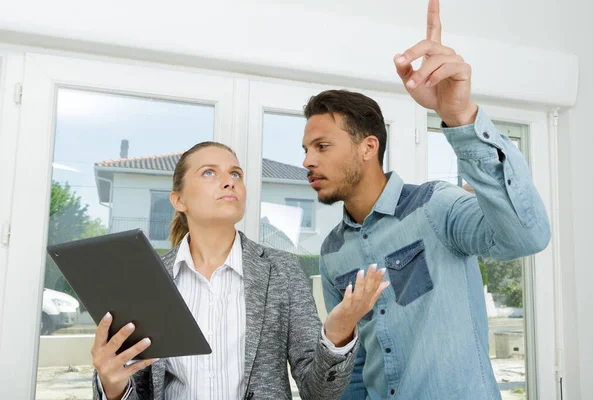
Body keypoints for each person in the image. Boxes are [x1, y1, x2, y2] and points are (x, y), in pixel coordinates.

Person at [302, 1, 551, 399]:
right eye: (306, 148)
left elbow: (528, 236)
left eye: (322, 146)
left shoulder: (435, 206)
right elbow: (354, 371)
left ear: (368, 147)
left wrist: (461, 116)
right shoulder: (332, 253)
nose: (307, 161)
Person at [90, 141, 389, 400]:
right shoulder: (146, 282)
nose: (229, 181)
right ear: (179, 200)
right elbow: (137, 386)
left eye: (236, 174)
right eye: (209, 172)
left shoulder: (282, 271)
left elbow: (319, 392)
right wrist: (112, 386)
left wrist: (337, 335)